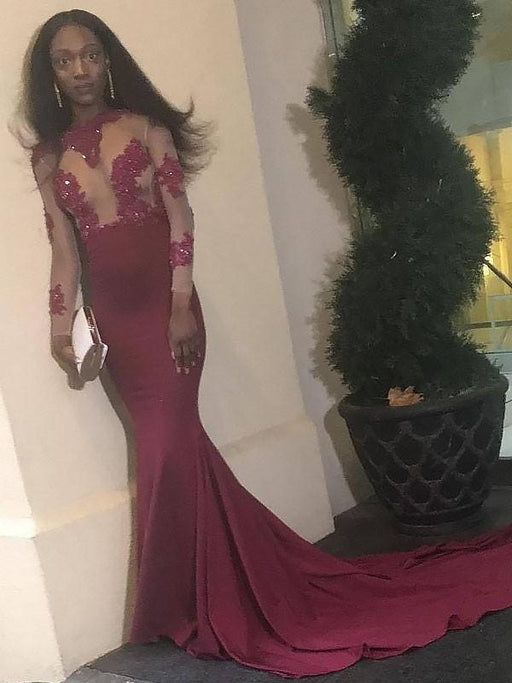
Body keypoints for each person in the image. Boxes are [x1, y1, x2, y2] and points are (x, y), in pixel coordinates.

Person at [23, 9, 512, 679]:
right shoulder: (48, 157)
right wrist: (60, 323)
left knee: (166, 448)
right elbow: (64, 251)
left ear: (108, 60)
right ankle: (215, 587)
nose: (79, 69)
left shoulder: (147, 129)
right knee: (175, 452)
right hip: (115, 325)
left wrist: (182, 303)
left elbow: (180, 220)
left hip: (168, 315)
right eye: (64, 60)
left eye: (90, 55)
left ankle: (170, 605)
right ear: (51, 74)